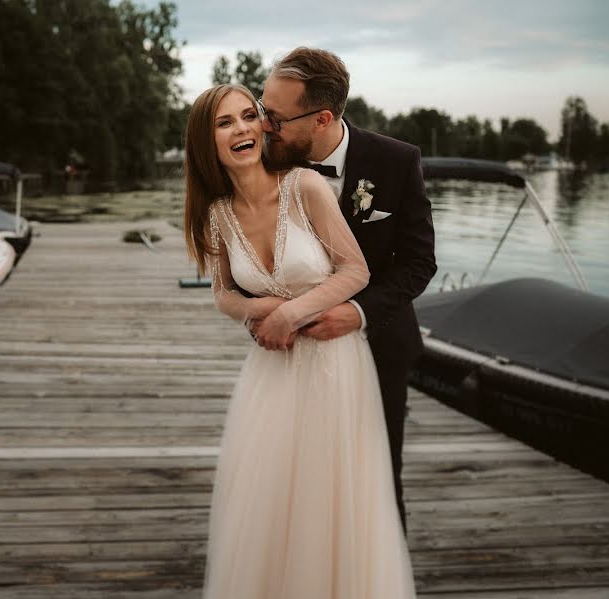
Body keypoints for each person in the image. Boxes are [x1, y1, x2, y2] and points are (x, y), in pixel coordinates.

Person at [184, 83, 415, 598]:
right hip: (271, 371)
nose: (243, 128)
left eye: (249, 116)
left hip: (333, 364)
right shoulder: (216, 214)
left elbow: (355, 271)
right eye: (225, 123)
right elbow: (222, 294)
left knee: (329, 497)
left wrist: (290, 312)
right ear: (206, 140)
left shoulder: (304, 186)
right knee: (270, 499)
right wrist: (258, 310)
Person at [259, 48, 437, 530]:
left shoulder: (397, 161)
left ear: (321, 118)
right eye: (261, 109)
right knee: (294, 479)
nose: (263, 126)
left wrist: (355, 313)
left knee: (378, 478)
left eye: (274, 117)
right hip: (292, 353)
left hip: (378, 348)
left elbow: (420, 263)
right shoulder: (261, 164)